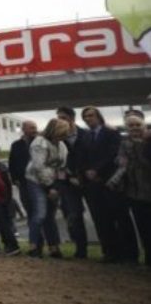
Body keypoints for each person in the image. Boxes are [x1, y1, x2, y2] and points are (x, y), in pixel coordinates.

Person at [79, 106, 137, 263]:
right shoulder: (85, 137)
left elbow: (113, 154)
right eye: (85, 116)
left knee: (121, 218)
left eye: (91, 115)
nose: (88, 119)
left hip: (111, 182)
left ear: (98, 116)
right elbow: (81, 157)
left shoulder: (111, 133)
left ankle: (131, 255)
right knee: (102, 220)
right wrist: (87, 171)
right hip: (93, 185)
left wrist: (97, 171)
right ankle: (110, 252)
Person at [108, 110, 151, 265]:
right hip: (135, 193)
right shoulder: (124, 143)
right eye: (131, 125)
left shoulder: (148, 142)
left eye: (138, 125)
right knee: (143, 228)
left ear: (144, 126)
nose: (134, 128)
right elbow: (119, 161)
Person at [25, 118, 70, 258]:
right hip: (36, 180)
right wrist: (50, 187)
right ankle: (33, 246)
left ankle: (53, 247)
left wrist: (56, 186)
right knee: (40, 214)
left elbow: (62, 166)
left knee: (50, 216)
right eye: (61, 133)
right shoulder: (39, 143)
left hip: (53, 181)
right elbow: (39, 167)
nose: (64, 136)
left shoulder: (61, 145)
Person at [55, 106, 89, 258]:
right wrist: (69, 176)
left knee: (100, 215)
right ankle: (81, 249)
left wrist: (82, 175)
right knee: (74, 215)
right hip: (68, 183)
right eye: (59, 118)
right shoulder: (57, 139)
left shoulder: (86, 135)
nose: (61, 121)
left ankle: (110, 249)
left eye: (63, 118)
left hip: (88, 180)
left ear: (72, 119)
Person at [8, 120, 38, 219]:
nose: (35, 130)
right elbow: (12, 163)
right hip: (23, 182)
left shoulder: (39, 142)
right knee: (29, 208)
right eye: (32, 128)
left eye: (35, 127)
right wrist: (15, 179)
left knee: (40, 210)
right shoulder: (16, 145)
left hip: (39, 180)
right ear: (24, 129)